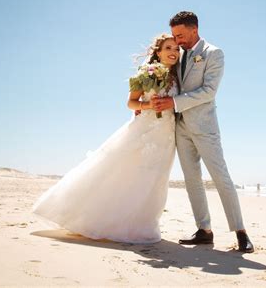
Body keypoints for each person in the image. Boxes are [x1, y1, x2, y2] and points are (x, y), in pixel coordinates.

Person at [32, 34, 180, 244]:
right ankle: (102, 221)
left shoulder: (180, 77)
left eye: (176, 48)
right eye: (168, 47)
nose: (173, 51)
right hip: (143, 130)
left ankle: (142, 225)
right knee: (126, 172)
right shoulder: (145, 73)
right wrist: (149, 105)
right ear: (158, 52)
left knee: (155, 179)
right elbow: (131, 103)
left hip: (165, 134)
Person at [151, 11, 254, 253]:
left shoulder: (213, 53)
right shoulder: (178, 54)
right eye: (174, 36)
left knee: (221, 178)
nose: (177, 41)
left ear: (194, 29)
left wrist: (174, 103)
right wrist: (147, 104)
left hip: (205, 127)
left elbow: (209, 91)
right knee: (192, 180)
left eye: (180, 35)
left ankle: (241, 232)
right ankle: (204, 231)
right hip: (180, 127)